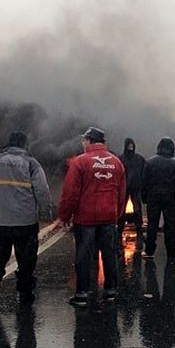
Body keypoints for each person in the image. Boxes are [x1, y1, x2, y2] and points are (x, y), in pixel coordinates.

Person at [58, 127, 126, 307]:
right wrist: (116, 214)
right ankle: (111, 291)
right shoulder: (116, 163)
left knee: (84, 256)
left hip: (85, 219)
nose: (82, 143)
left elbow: (70, 192)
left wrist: (64, 215)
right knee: (109, 255)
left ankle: (81, 294)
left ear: (89, 141)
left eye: (84, 140)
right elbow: (121, 193)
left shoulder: (80, 162)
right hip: (108, 218)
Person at [0, 131, 51, 304]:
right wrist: (45, 211)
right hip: (25, 222)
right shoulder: (31, 163)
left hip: (0, 222)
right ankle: (25, 294)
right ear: (24, 144)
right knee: (26, 260)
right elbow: (42, 190)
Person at [141, 137, 175, 259]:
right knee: (170, 224)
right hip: (169, 198)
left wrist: (144, 198)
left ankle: (149, 251)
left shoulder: (150, 162)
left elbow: (144, 182)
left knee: (152, 225)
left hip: (153, 198)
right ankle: (172, 250)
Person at [117, 138, 146, 249]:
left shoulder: (139, 159)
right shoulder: (120, 159)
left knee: (137, 210)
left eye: (132, 146)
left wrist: (143, 187)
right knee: (121, 211)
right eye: (129, 146)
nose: (131, 147)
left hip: (136, 189)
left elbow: (144, 173)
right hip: (124, 189)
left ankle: (139, 231)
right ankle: (119, 231)